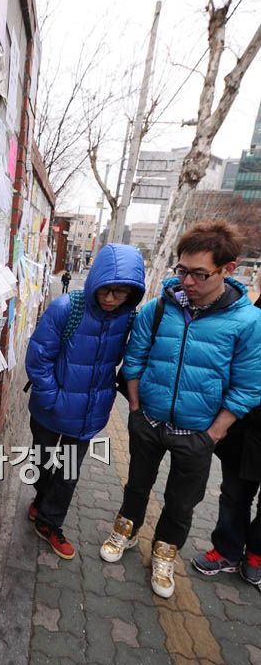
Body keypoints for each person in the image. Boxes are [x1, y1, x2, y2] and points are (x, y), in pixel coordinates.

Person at [100, 221, 261, 598]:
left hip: (198, 433)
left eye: (200, 274)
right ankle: (126, 529)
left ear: (228, 269)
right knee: (137, 484)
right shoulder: (158, 309)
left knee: (182, 501)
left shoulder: (248, 322)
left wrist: (215, 432)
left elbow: (248, 386)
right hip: (148, 420)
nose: (187, 281)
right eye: (182, 270)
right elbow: (134, 360)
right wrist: (135, 409)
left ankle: (164, 552)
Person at [25, 244, 145, 559]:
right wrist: (52, 398)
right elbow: (38, 358)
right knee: (43, 463)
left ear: (132, 294)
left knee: (67, 473)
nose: (110, 299)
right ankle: (40, 501)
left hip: (88, 413)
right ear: (95, 281)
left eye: (120, 293)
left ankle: (49, 523)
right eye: (106, 290)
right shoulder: (66, 308)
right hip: (50, 408)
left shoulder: (128, 319)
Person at [191, 276, 261, 586]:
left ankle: (256, 554)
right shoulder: (252, 318)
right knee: (234, 495)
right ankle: (227, 550)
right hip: (245, 426)